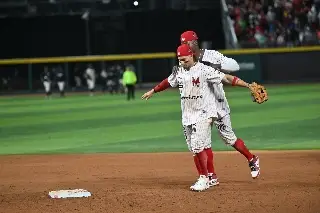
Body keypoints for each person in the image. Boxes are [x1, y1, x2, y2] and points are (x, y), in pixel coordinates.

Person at [142, 44, 254, 191]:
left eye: (185, 60)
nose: (182, 62)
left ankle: (204, 178)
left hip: (204, 113)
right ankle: (211, 177)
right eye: (180, 60)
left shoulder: (204, 70)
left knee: (197, 145)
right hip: (187, 115)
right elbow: (167, 82)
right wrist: (153, 91)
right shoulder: (179, 71)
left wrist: (247, 85)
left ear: (191, 55)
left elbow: (226, 78)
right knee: (197, 148)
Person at [180, 30, 260, 180]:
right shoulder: (186, 60)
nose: (185, 45)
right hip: (201, 106)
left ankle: (251, 158)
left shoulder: (211, 55)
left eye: (187, 42)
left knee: (229, 138)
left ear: (195, 42)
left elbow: (235, 66)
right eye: (183, 43)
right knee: (204, 142)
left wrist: (218, 65)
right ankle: (212, 176)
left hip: (218, 103)